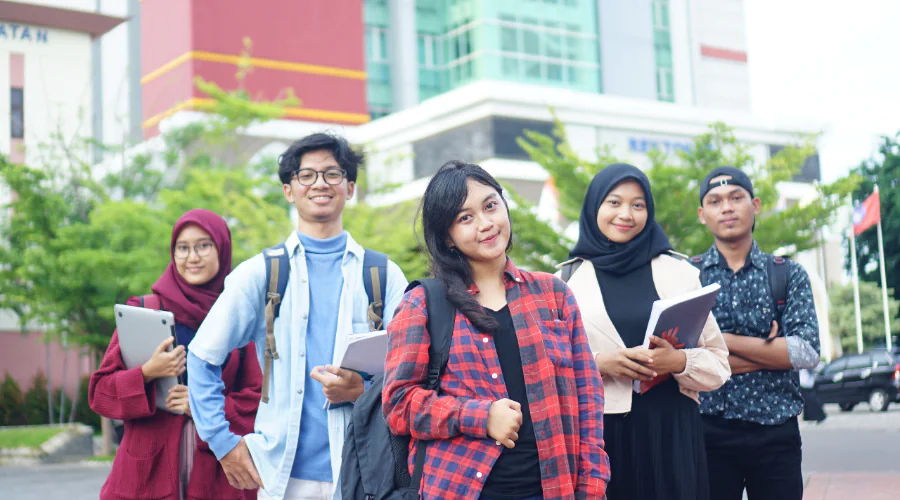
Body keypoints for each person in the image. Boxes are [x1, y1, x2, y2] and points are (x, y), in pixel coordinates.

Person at [186, 132, 408, 500]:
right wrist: (223, 443)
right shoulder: (261, 273)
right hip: (282, 478)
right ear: (289, 190)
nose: (320, 183)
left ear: (350, 188)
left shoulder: (384, 276)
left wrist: (363, 391)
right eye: (306, 175)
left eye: (333, 174)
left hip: (363, 474)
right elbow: (201, 356)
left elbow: (413, 371)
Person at [383, 161, 610, 500]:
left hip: (553, 488)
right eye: (465, 218)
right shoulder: (423, 303)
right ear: (447, 236)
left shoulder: (553, 294)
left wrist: (592, 489)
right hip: (461, 489)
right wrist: (479, 415)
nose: (486, 224)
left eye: (490, 206)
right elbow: (399, 405)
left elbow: (588, 403)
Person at [559, 164, 730, 500]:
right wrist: (599, 363)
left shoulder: (680, 272)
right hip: (600, 434)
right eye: (614, 202)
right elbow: (549, 367)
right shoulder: (565, 281)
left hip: (672, 430)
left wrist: (678, 361)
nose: (626, 214)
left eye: (638, 205)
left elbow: (719, 364)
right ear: (594, 207)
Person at [89, 209, 261, 500]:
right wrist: (146, 373)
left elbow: (261, 400)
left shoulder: (241, 315)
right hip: (146, 472)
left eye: (203, 245)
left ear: (222, 249)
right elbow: (100, 394)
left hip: (220, 472)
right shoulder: (145, 311)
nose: (192, 257)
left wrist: (204, 408)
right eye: (183, 248)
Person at [695, 166, 820, 500]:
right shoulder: (687, 277)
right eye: (715, 201)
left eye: (737, 197)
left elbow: (805, 353)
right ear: (702, 214)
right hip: (707, 431)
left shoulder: (786, 274)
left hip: (776, 431)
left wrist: (720, 342)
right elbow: (680, 359)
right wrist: (771, 351)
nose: (727, 207)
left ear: (756, 205)